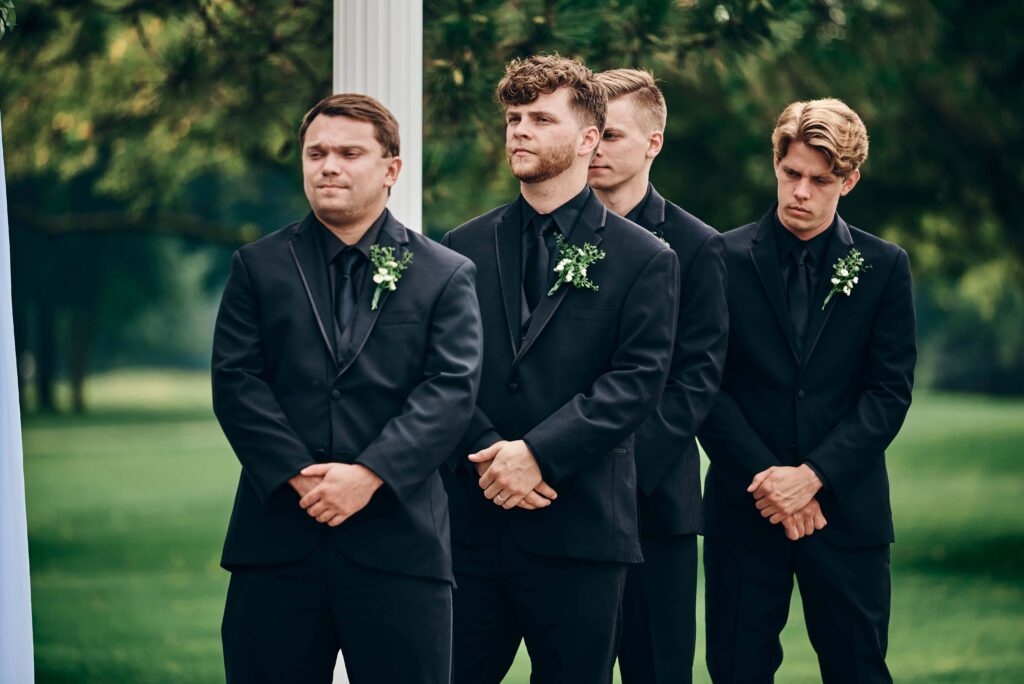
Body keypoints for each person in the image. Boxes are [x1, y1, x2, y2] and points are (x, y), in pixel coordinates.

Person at [211, 93, 482, 684]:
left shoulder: (444, 274)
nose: (328, 165)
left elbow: (450, 390)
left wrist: (369, 475)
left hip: (400, 546)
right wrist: (297, 474)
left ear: (391, 169)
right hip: (277, 542)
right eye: (317, 153)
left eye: (348, 152)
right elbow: (236, 381)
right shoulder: (257, 266)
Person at [440, 55, 680, 683]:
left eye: (540, 118)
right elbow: (442, 371)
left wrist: (537, 455)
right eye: (514, 117)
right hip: (470, 524)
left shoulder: (646, 259)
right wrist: (493, 452)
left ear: (587, 138)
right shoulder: (458, 249)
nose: (519, 130)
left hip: (582, 531)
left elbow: (635, 381)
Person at [698, 98, 916, 683]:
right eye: (791, 174)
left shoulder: (884, 265)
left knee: (858, 670)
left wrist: (813, 477)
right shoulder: (720, 257)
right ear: (776, 163)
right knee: (737, 671)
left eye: (820, 181)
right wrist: (771, 482)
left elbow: (888, 393)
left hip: (846, 514)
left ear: (849, 180)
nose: (801, 192)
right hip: (744, 511)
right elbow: (705, 386)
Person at [588, 68, 728, 684]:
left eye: (612, 136)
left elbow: (696, 378)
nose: (595, 148)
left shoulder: (700, 247)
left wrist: (618, 474)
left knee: (659, 670)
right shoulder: (544, 235)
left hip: (655, 503)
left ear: (653, 143)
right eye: (590, 134)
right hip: (560, 504)